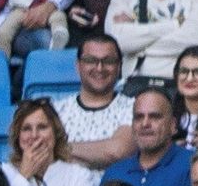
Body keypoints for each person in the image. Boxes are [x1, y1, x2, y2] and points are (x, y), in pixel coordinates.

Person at [100, 88, 196, 186]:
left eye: (155, 116)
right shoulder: (114, 173)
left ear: (173, 126)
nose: (145, 123)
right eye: (139, 117)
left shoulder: (191, 166)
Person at [54, 34, 136, 172]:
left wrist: (57, 148)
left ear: (119, 66)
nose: (99, 68)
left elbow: (117, 151)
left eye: (108, 61)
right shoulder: (56, 110)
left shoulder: (134, 107)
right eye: (91, 60)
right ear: (78, 66)